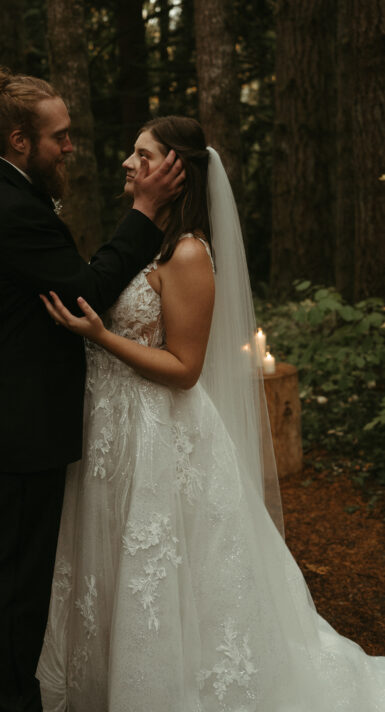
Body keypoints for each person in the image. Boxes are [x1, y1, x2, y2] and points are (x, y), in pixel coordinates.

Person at [37, 116, 385, 712]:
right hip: (115, 431)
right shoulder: (146, 239)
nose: (127, 163)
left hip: (161, 437)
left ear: (174, 171)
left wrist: (100, 336)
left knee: (169, 576)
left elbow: (184, 367)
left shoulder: (191, 253)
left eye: (141, 154)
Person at [0, 69, 185, 712]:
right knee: (17, 578)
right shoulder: (12, 208)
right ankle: (6, 700)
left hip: (3, 413)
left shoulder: (4, 193)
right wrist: (143, 213)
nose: (71, 147)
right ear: (22, 140)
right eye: (61, 137)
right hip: (19, 421)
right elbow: (85, 290)